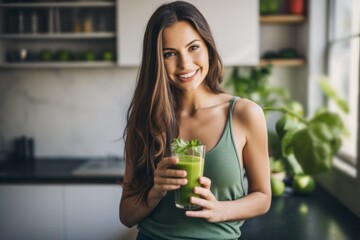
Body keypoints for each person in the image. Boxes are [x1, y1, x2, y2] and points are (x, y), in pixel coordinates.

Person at [120, 1, 271, 239]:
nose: (185, 64)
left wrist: (220, 210)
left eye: (193, 47)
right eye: (169, 54)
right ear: (157, 61)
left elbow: (262, 197)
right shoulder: (145, 120)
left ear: (208, 47)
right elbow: (126, 215)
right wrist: (155, 191)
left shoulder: (244, 114)